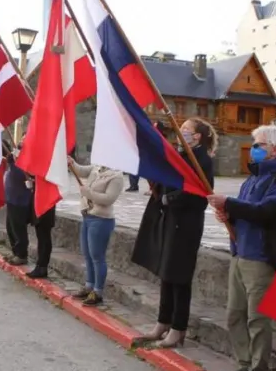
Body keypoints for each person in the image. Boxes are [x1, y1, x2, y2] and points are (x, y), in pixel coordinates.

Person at [207, 124, 276, 371]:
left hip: (260, 258)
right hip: (240, 253)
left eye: (258, 144)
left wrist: (229, 204)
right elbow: (245, 213)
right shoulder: (251, 179)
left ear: (274, 149)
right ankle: (245, 364)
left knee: (257, 319)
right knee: (235, 314)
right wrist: (227, 214)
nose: (253, 148)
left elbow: (268, 212)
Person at [133, 118, 217, 348]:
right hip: (170, 221)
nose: (182, 132)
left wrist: (171, 198)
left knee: (179, 277)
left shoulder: (202, 160)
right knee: (166, 273)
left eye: (187, 130)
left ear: (198, 136)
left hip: (186, 225)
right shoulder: (180, 156)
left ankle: (178, 329)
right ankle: (163, 322)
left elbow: (200, 194)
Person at [68, 157, 124, 306]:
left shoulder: (116, 176)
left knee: (97, 257)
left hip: (101, 219)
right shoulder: (97, 168)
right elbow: (81, 170)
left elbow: (108, 199)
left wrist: (88, 193)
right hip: (87, 216)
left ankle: (98, 291)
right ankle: (89, 286)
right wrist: (72, 162)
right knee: (87, 255)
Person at [3, 144, 33, 266]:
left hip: (20, 200)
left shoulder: (26, 161)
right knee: (10, 227)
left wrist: (15, 162)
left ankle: (21, 254)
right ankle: (15, 251)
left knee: (19, 228)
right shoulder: (15, 158)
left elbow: (24, 176)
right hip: (11, 198)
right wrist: (11, 161)